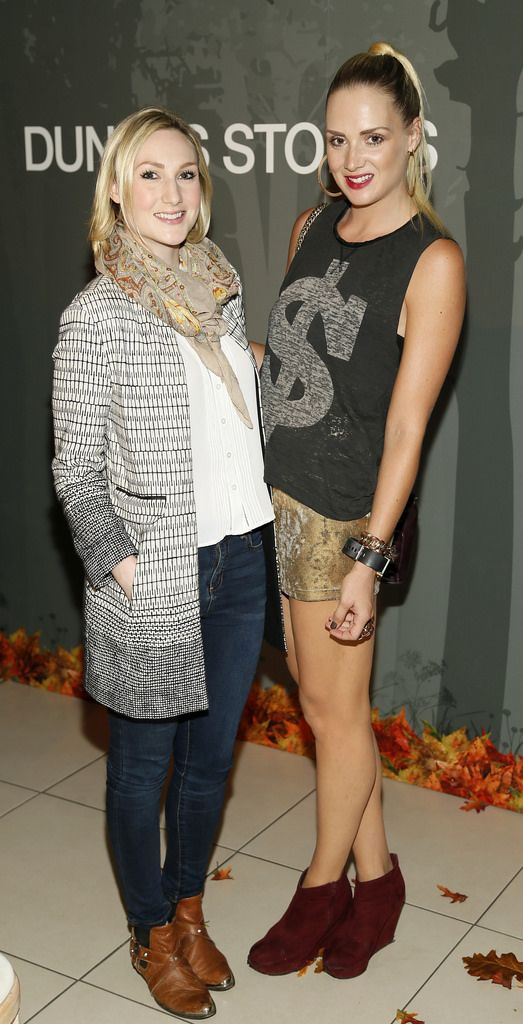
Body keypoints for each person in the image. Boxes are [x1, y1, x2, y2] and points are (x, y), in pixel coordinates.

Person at [52, 106, 277, 1019]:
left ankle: (188, 911)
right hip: (153, 576)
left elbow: (231, 426)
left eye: (185, 174)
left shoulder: (218, 288)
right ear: (116, 188)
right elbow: (73, 468)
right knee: (140, 771)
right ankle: (149, 933)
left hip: (240, 561)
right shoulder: (96, 314)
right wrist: (121, 566)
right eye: (150, 174)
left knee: (207, 764)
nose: (171, 192)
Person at [248, 42, 466, 979]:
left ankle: (319, 888)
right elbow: (294, 369)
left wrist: (367, 563)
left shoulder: (434, 261)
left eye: (373, 137)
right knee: (324, 707)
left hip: (344, 523)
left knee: (335, 718)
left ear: (414, 136)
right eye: (336, 140)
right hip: (276, 498)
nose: (353, 159)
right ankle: (377, 881)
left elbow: (407, 432)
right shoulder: (310, 224)